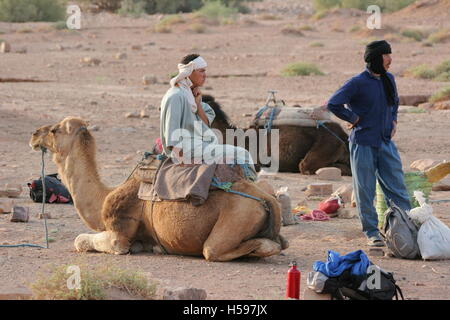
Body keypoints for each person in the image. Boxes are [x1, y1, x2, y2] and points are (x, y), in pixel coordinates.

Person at [327, 40, 411, 247]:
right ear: (376, 58)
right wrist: (352, 118)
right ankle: (372, 232)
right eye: (386, 56)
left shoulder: (388, 79)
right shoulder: (357, 82)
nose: (390, 60)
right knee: (365, 189)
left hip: (385, 142)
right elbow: (333, 103)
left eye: (390, 55)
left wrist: (393, 120)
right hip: (363, 142)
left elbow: (394, 102)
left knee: (397, 187)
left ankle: (405, 226)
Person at [159, 54, 257, 180]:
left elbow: (205, 124)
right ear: (188, 72)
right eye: (201, 71)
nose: (205, 75)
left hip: (198, 146)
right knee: (242, 154)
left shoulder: (189, 96)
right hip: (186, 149)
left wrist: (198, 103)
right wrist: (183, 161)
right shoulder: (175, 97)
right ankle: (253, 186)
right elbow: (171, 136)